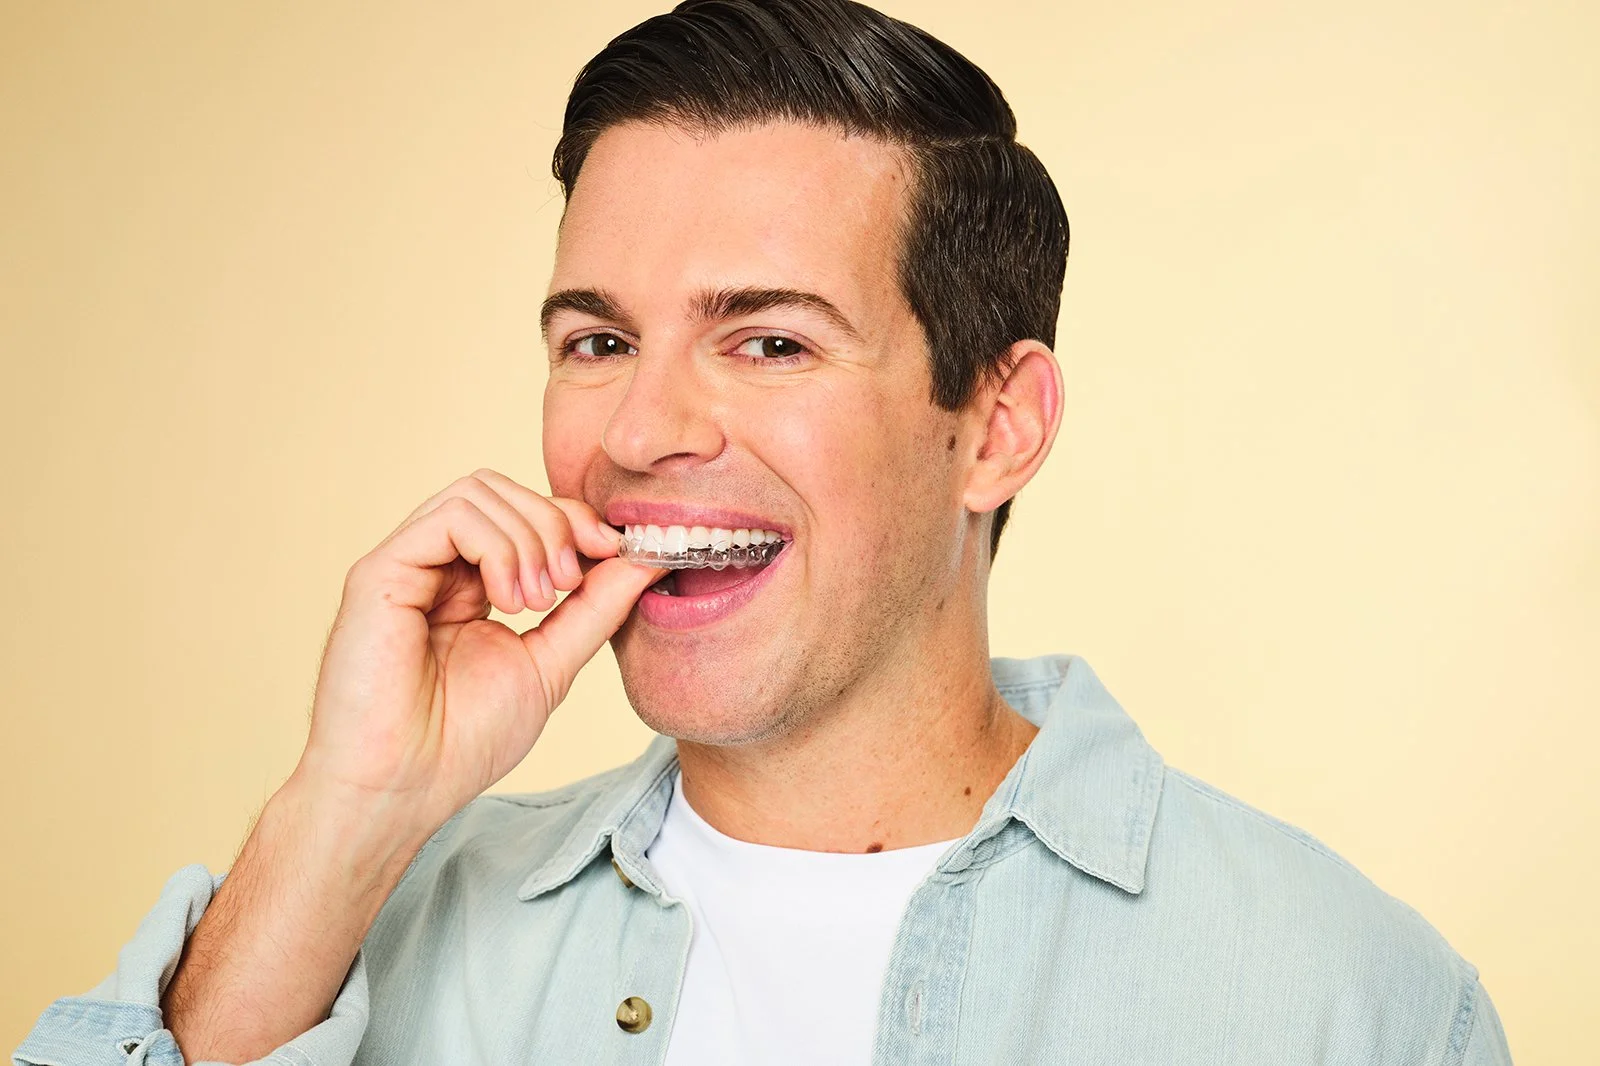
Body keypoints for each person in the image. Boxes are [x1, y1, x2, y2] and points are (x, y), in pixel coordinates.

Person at [15, 1, 1513, 1064]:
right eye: (597, 341)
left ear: (997, 425)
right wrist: (346, 807)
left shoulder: (1346, 1003)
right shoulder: (369, 926)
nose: (642, 432)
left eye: (771, 342)